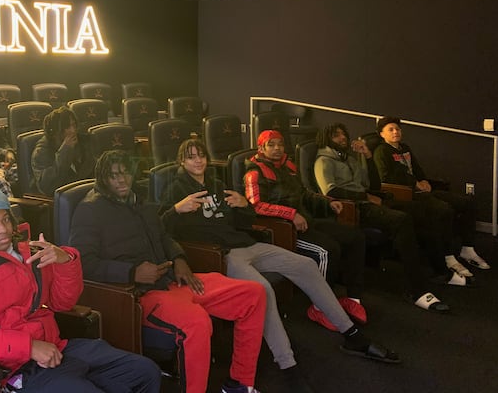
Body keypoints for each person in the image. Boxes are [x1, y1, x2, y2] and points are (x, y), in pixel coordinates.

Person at [159, 140, 399, 392]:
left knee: (306, 264)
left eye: (201, 156)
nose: (198, 161)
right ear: (181, 162)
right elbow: (159, 229)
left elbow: (245, 220)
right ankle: (288, 364)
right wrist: (176, 209)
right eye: (191, 157)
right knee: (263, 290)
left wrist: (244, 205)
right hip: (221, 255)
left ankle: (351, 335)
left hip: (246, 244)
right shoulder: (175, 189)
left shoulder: (217, 185)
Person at [70, 149, 268, 393]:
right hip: (140, 293)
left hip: (173, 280)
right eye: (113, 176)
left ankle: (239, 383)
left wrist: (179, 258)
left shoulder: (138, 200)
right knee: (197, 323)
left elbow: (163, 236)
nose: (121, 180)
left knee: (254, 293)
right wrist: (132, 272)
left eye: (125, 173)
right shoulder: (89, 210)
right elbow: (83, 262)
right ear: (102, 178)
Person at [0, 188, 161, 393]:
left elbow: (62, 303)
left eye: (5, 220)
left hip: (56, 347)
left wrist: (65, 262)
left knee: (145, 371)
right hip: (13, 369)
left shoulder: (28, 252)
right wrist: (28, 347)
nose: (3, 230)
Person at [315, 123, 450, 312]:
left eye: (343, 134)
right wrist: (365, 197)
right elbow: (330, 190)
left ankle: (441, 269)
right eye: (336, 136)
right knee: (401, 220)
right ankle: (417, 290)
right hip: (353, 208)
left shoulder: (349, 159)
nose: (342, 138)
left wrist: (368, 157)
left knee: (420, 210)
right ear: (326, 139)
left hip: (369, 200)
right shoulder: (323, 161)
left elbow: (373, 183)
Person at [244, 130, 368, 330]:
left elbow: (304, 194)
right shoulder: (254, 172)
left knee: (355, 237)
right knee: (327, 251)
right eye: (271, 145)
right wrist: (290, 214)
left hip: (305, 220)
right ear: (261, 148)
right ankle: (320, 308)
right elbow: (255, 206)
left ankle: (353, 298)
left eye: (280, 144)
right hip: (283, 229)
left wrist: (329, 202)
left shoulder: (288, 166)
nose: (277, 149)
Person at [373, 116, 489, 284]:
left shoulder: (405, 148)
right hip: (407, 193)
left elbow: (417, 169)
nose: (395, 132)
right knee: (444, 210)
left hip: (423, 189)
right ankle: (448, 256)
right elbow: (387, 177)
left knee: (467, 203)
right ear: (382, 134)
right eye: (390, 129)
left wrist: (424, 180)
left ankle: (467, 248)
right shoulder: (381, 151)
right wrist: (415, 183)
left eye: (397, 129)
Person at [31, 106, 95, 196]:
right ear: (54, 132)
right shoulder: (41, 152)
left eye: (73, 125)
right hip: (59, 201)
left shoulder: (82, 143)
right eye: (67, 127)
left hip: (85, 194)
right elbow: (48, 187)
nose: (73, 130)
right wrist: (65, 151)